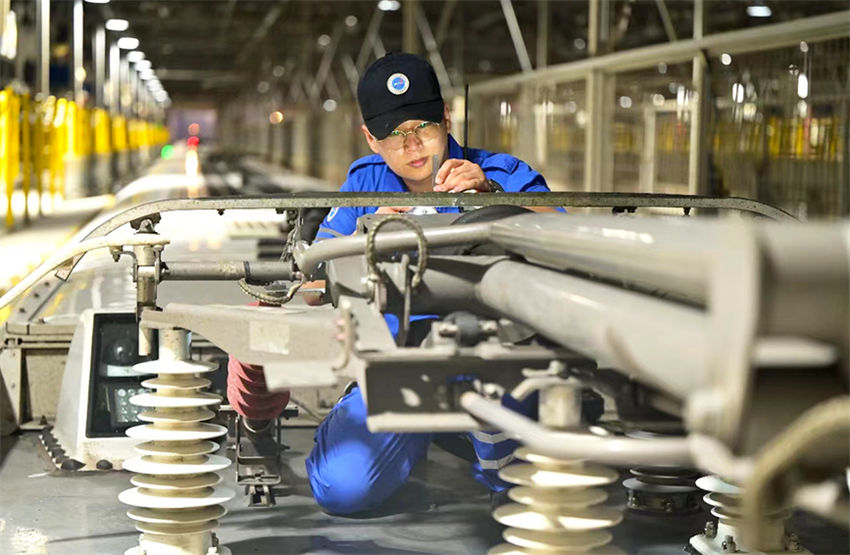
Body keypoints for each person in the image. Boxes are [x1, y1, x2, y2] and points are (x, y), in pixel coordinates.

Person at [303, 52, 557, 515]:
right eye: (393, 135)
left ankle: (483, 436)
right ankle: (409, 434)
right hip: (398, 363)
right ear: (371, 139)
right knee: (343, 488)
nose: (412, 145)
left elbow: (565, 240)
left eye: (422, 126)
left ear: (446, 116)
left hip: (495, 360)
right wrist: (365, 241)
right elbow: (313, 279)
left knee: (528, 491)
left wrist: (493, 202)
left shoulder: (499, 175)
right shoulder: (363, 188)